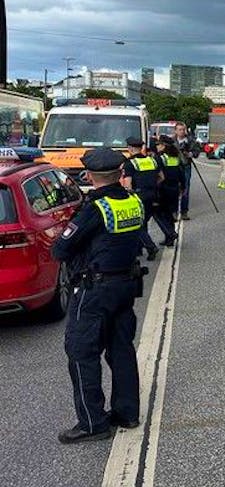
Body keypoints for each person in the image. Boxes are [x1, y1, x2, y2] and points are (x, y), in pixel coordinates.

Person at [52, 147, 145, 443]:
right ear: (120, 173)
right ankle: (127, 413)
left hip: (95, 290)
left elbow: (61, 250)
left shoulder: (94, 208)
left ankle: (92, 423)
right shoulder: (134, 201)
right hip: (126, 285)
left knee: (81, 352)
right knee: (121, 349)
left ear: (89, 176)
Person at [121, 137, 162, 261]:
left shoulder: (130, 163)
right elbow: (161, 177)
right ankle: (139, 248)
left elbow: (128, 185)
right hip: (153, 194)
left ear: (130, 148)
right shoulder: (151, 160)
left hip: (138, 197)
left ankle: (150, 247)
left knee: (137, 225)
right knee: (144, 223)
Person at [153, 136, 182, 247]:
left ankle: (170, 233)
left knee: (160, 213)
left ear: (163, 145)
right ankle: (169, 239)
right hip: (174, 188)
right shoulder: (175, 157)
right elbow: (181, 173)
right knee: (170, 214)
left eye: (158, 144)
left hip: (163, 189)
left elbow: (158, 175)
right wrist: (182, 187)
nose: (157, 146)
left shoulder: (160, 158)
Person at [174, 122, 195, 220]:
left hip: (186, 166)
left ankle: (184, 212)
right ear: (176, 131)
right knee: (174, 189)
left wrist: (192, 153)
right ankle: (174, 212)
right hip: (174, 167)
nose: (182, 131)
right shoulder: (172, 141)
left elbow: (196, 150)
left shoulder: (190, 140)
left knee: (185, 189)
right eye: (179, 129)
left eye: (183, 129)